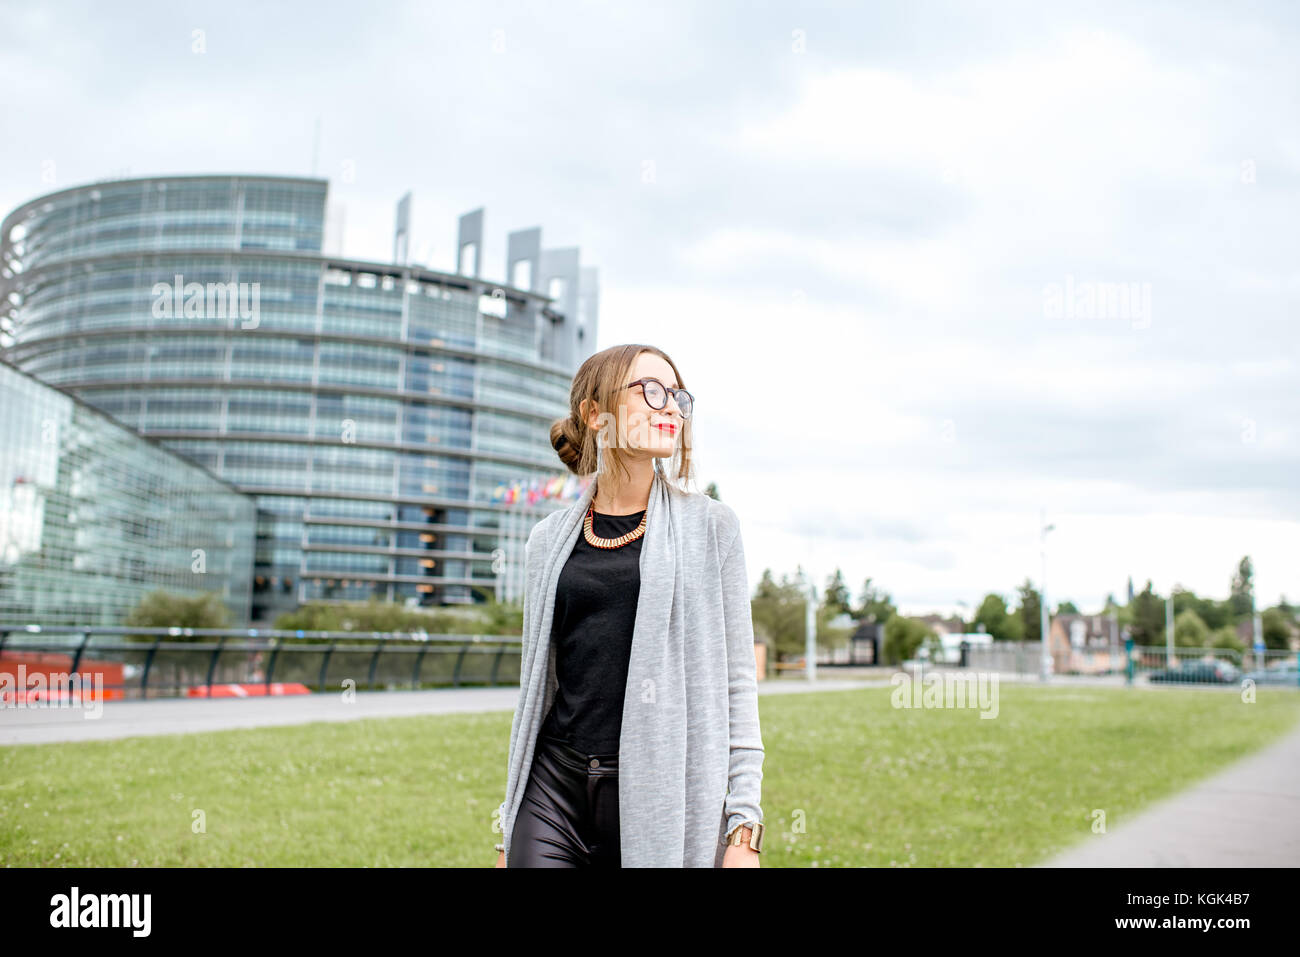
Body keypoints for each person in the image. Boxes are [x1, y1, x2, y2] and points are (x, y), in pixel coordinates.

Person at [494, 343, 765, 867]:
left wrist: (743, 832)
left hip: (660, 788)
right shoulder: (547, 541)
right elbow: (536, 688)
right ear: (596, 414)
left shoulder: (712, 528)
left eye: (678, 396)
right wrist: (509, 826)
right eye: (652, 390)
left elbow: (737, 684)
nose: (671, 407)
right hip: (554, 787)